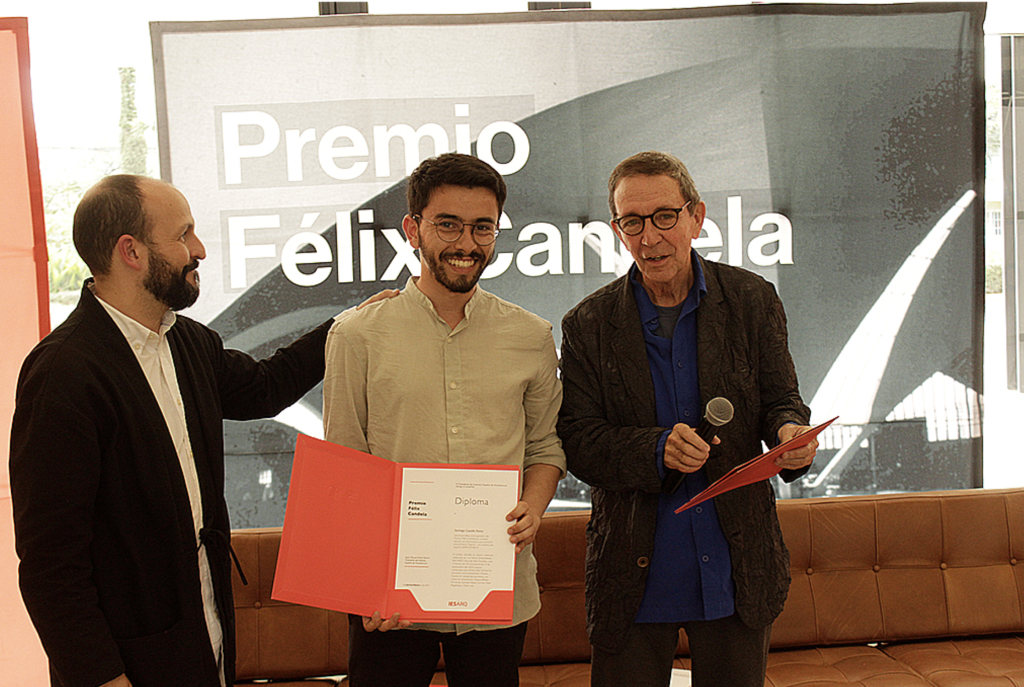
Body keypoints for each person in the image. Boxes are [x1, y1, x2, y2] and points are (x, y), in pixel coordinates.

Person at [9, 175, 344, 687]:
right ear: (132, 251)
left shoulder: (190, 342)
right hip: (126, 668)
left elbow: (266, 387)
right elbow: (51, 565)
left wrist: (348, 327)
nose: (200, 249)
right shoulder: (63, 373)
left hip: (205, 642)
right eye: (184, 234)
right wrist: (101, 677)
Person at [557, 151, 818, 687]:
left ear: (696, 216)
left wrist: (791, 432)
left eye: (664, 217)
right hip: (633, 568)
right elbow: (579, 442)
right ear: (617, 230)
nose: (649, 236)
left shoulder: (751, 299)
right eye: (633, 221)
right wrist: (656, 451)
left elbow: (780, 400)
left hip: (735, 563)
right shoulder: (588, 323)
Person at [323, 152, 565, 687]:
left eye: (483, 228)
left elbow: (546, 449)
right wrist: (361, 587)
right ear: (414, 229)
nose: (466, 243)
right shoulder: (356, 335)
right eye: (448, 224)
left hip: (496, 583)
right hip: (390, 597)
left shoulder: (531, 336)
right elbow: (345, 468)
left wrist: (533, 507)